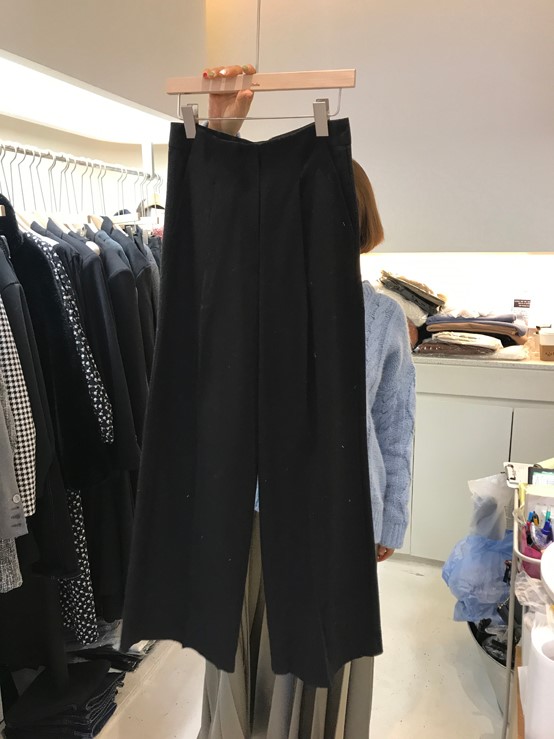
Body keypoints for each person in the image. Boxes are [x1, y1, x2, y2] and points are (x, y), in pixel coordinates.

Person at [197, 64, 416, 739]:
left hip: (338, 510)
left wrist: (390, 517)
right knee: (253, 641)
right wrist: (222, 132)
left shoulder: (382, 316)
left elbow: (393, 423)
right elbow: (212, 239)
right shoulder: (255, 303)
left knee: (318, 644)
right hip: (259, 509)